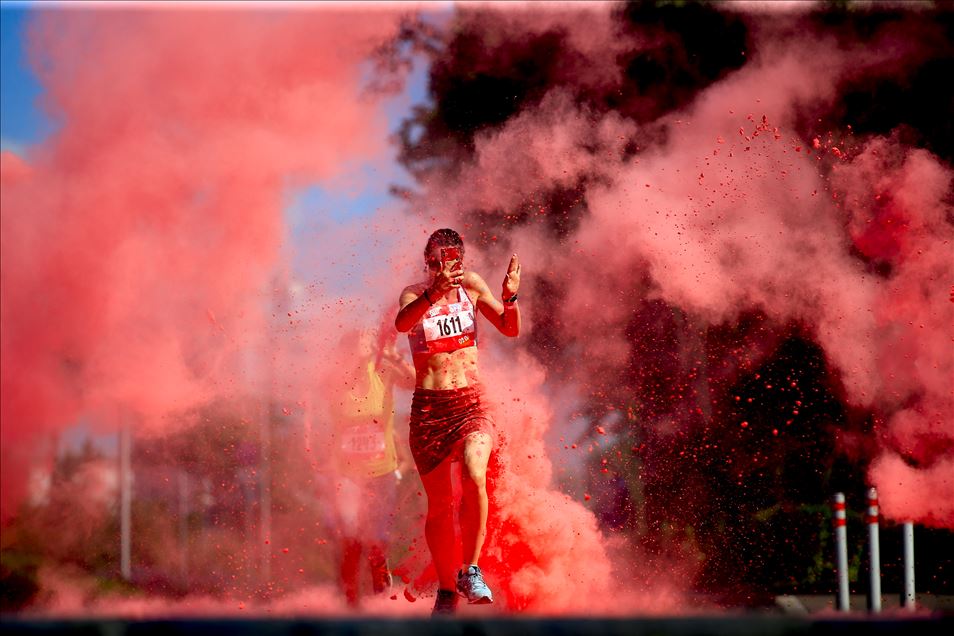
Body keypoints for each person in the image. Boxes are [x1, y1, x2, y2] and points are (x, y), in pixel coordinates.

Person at [394, 228, 521, 615]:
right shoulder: (414, 294)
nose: (442, 269)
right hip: (429, 413)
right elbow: (402, 324)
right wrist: (433, 294)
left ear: (460, 261)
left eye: (449, 261)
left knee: (473, 471)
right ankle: (447, 591)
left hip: (470, 404)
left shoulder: (472, 286)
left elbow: (510, 328)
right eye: (434, 262)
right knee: (439, 506)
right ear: (427, 263)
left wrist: (509, 297)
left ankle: (471, 570)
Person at [328, 323, 415, 607]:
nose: (363, 346)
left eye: (366, 342)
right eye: (357, 342)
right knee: (351, 536)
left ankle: (379, 602)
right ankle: (349, 601)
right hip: (348, 475)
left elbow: (415, 382)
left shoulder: (383, 372)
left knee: (378, 540)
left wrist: (396, 356)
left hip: (382, 472)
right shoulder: (333, 381)